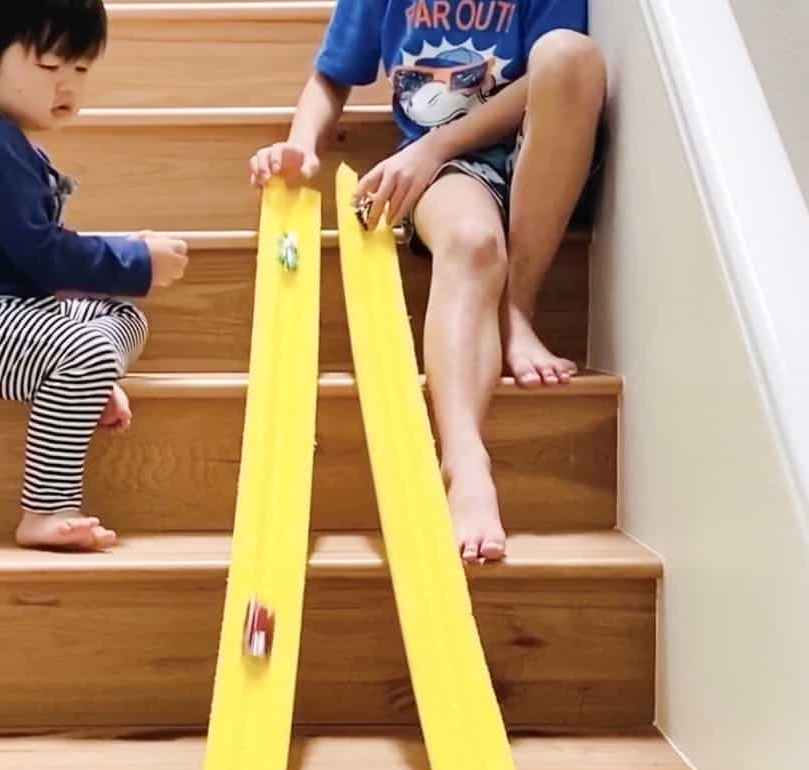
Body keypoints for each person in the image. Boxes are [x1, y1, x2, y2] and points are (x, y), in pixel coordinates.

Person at [250, 0, 605, 562]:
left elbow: (550, 79)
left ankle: (517, 308)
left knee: (569, 53)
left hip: (535, 143)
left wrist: (433, 143)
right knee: (471, 242)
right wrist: (301, 144)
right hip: (450, 172)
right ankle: (465, 464)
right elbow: (330, 75)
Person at [0, 0, 188, 551]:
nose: (68, 86)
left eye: (80, 68)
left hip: (4, 316)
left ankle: (84, 379)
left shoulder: (9, 141)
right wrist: (136, 258)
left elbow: (42, 266)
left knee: (120, 315)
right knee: (89, 343)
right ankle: (45, 508)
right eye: (50, 67)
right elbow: (43, 257)